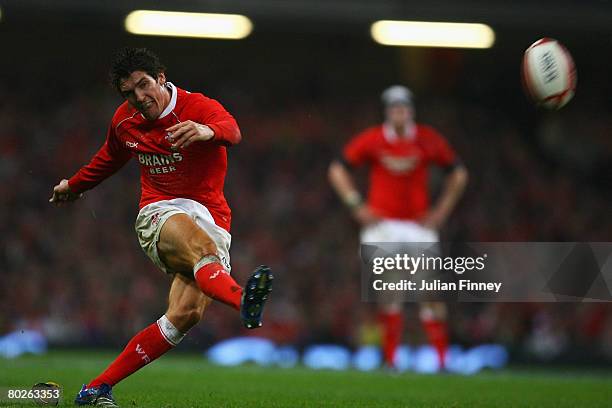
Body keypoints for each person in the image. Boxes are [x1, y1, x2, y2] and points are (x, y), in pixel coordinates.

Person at [49, 47, 273, 407]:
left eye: (143, 85)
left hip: (213, 217)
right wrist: (73, 187)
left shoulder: (197, 107)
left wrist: (205, 130)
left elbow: (232, 131)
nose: (139, 97)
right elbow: (108, 158)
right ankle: (242, 299)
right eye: (129, 92)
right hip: (160, 211)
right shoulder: (125, 122)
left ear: (161, 79)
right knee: (202, 251)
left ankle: (96, 388)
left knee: (184, 316)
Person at [328, 85, 468, 371]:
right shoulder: (373, 139)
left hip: (417, 225)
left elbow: (458, 173)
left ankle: (442, 361)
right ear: (388, 112)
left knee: (428, 290)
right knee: (390, 291)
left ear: (411, 111)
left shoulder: (428, 140)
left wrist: (441, 211)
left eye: (403, 107)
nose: (399, 112)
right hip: (384, 226)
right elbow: (337, 169)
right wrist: (357, 205)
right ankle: (391, 360)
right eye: (394, 108)